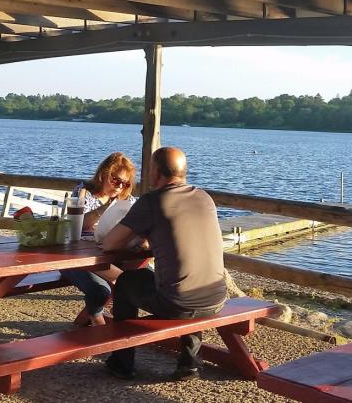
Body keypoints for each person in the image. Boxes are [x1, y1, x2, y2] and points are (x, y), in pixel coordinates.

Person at [102, 147, 227, 381]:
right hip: (217, 298)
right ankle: (189, 363)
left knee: (128, 280)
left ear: (155, 172)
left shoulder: (153, 201)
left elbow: (109, 244)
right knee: (187, 280)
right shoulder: (204, 197)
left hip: (178, 304)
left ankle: (122, 362)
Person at [61, 152, 137, 326]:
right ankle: (97, 321)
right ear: (103, 175)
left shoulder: (127, 200)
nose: (119, 187)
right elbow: (77, 224)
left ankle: (125, 329)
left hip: (110, 255)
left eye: (125, 183)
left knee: (139, 279)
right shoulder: (84, 192)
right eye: (115, 180)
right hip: (77, 258)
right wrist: (107, 208)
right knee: (102, 290)